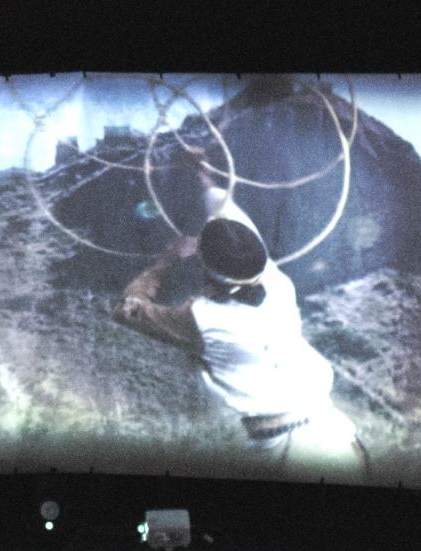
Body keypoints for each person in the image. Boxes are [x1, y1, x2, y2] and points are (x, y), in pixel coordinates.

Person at [112, 152, 366, 476]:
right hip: (329, 429)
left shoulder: (203, 319)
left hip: (291, 452)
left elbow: (126, 311)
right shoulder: (275, 280)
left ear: (203, 265)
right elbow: (224, 211)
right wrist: (203, 174)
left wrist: (168, 258)